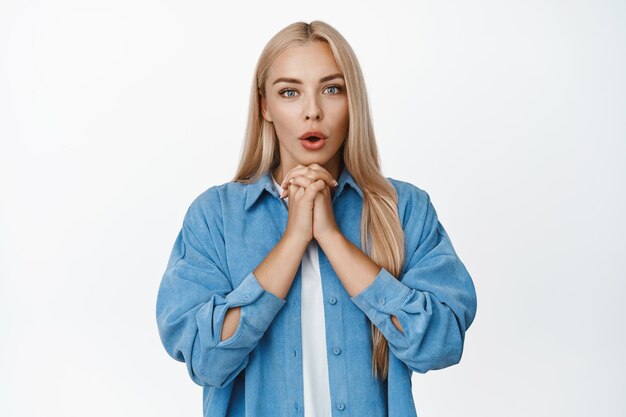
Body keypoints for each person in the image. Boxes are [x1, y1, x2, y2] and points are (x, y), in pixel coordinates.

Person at [156, 20, 477, 417]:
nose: (312, 111)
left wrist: (331, 236)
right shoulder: (214, 217)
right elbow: (204, 359)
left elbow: (440, 344)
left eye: (332, 89)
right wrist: (294, 239)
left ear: (352, 100)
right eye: (290, 92)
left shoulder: (405, 208)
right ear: (265, 106)